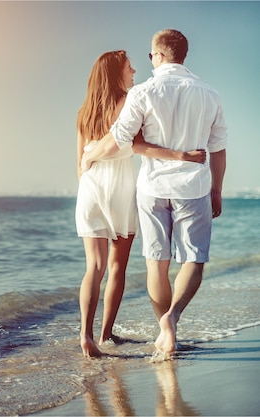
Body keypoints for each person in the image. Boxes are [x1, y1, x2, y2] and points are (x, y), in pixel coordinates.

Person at [81, 30, 227, 358]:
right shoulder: (210, 93)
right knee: (193, 259)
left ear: (158, 56)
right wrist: (217, 189)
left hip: (152, 188)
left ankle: (164, 326)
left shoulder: (143, 92)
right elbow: (218, 149)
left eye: (148, 57)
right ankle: (171, 320)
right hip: (194, 187)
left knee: (155, 265)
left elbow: (120, 138)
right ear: (182, 55)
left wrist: (90, 155)